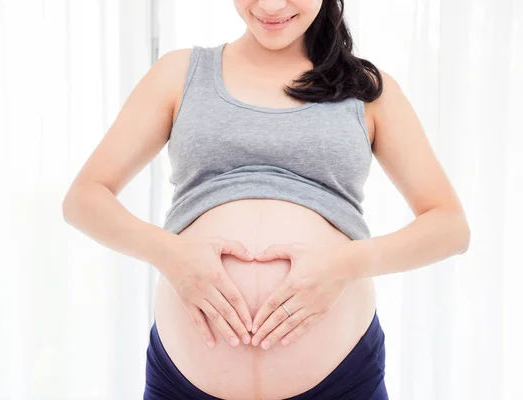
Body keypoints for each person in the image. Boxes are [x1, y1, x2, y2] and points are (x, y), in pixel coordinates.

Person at [62, 0, 470, 399]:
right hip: (184, 383)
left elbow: (450, 226)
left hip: (342, 381)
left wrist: (347, 264)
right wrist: (170, 254)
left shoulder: (367, 89)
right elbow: (84, 198)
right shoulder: (180, 73)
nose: (272, 5)